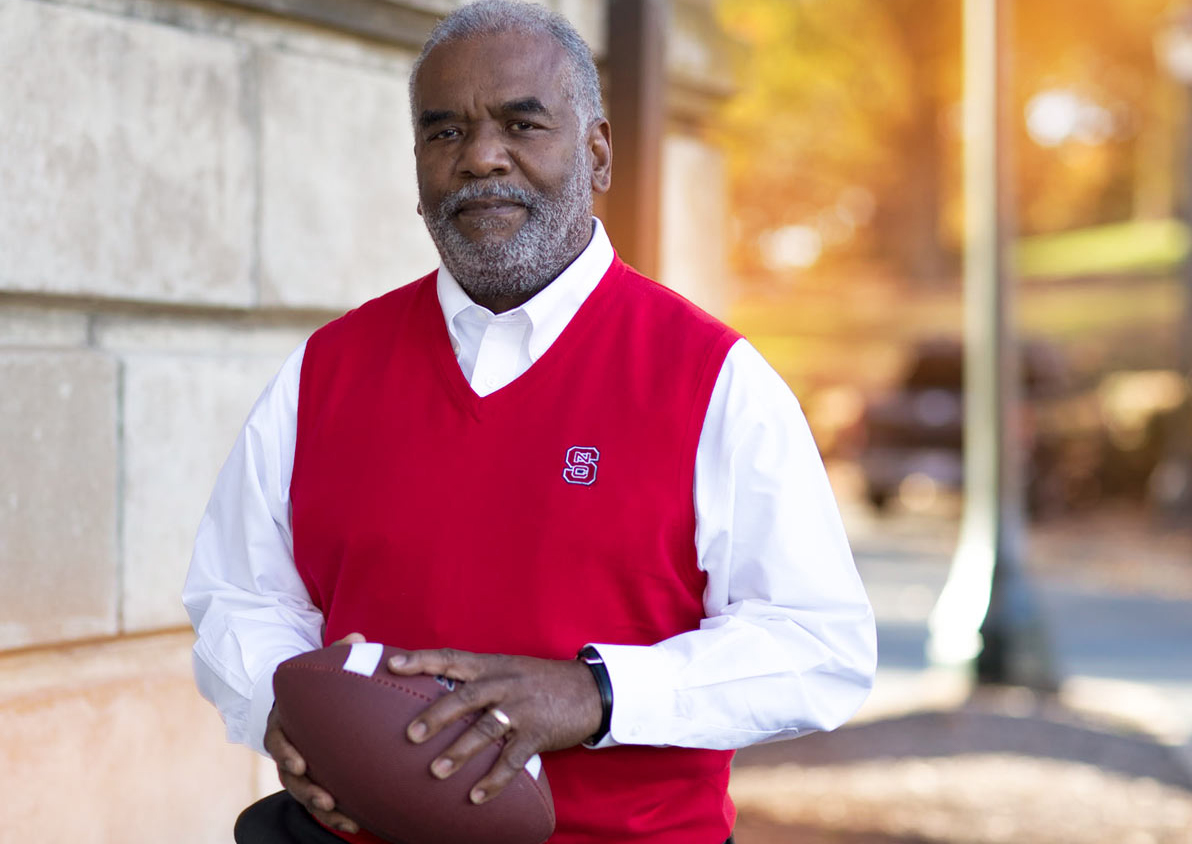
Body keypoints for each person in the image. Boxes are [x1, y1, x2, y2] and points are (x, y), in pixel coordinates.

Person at [182, 2, 877, 842]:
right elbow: (240, 592)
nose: (480, 157)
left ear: (597, 153)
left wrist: (596, 693)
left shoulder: (713, 381)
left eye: (522, 123)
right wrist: (278, 706)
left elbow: (819, 643)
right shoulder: (324, 372)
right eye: (443, 134)